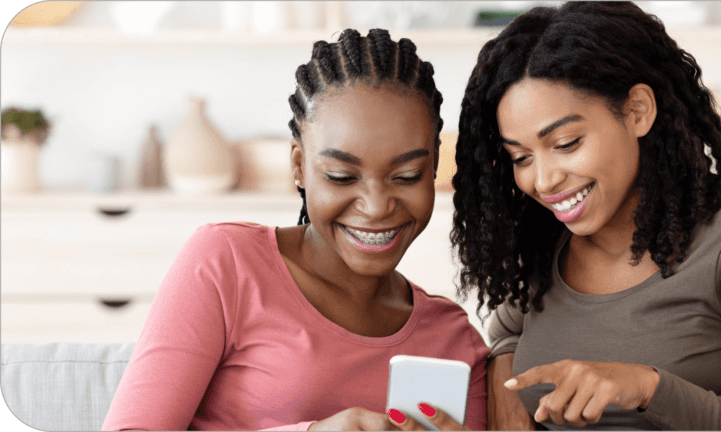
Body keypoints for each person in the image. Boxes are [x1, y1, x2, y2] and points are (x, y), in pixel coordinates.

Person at [449, 2, 721, 430]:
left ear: (637, 111)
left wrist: (647, 388)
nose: (542, 181)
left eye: (566, 143)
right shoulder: (545, 244)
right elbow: (507, 333)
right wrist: (507, 403)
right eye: (520, 157)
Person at [102, 29, 488, 431]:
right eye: (341, 176)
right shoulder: (228, 263)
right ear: (299, 166)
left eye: (407, 176)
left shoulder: (453, 341)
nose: (376, 207)